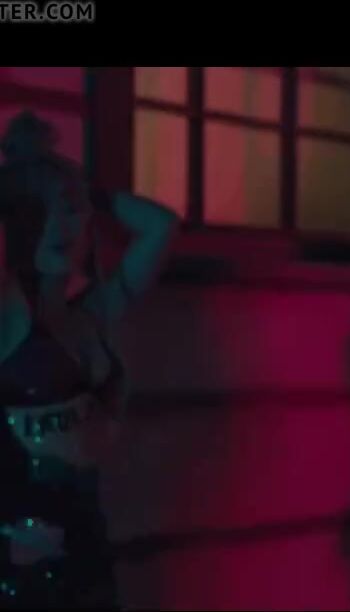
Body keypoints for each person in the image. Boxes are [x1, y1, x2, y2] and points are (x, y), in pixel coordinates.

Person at [0, 110, 179, 608]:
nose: (67, 226)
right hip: (23, 537)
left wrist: (81, 189)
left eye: (75, 214)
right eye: (51, 211)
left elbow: (162, 226)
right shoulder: (7, 313)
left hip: (84, 528)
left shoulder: (89, 314)